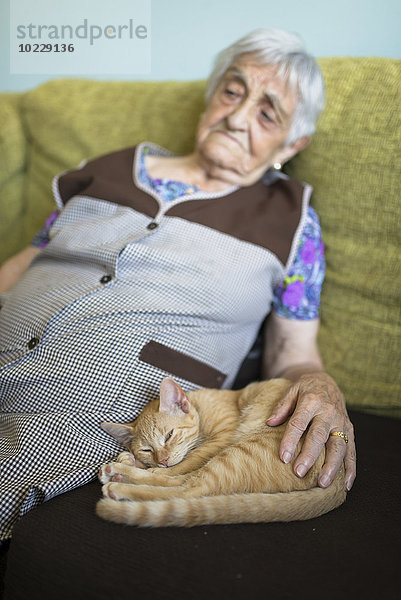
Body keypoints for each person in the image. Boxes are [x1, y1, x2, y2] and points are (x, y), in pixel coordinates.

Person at [0, 28, 356, 541]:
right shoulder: (110, 168)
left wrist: (323, 391)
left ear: (291, 143)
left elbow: (294, 355)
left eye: (266, 112)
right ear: (212, 94)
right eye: (232, 91)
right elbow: (25, 262)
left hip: (96, 413)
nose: (237, 116)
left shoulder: (294, 225)